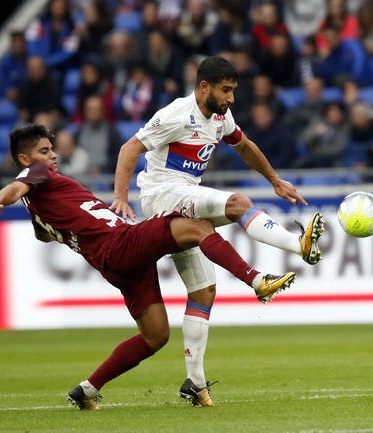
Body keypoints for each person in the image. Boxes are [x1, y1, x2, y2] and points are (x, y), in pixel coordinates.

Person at [0, 124, 298, 410]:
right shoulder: (36, 176)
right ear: (24, 160)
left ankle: (87, 389)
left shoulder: (39, 202)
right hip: (120, 244)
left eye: (52, 150)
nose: (52, 156)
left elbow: (44, 234)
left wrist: (71, 225)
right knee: (198, 226)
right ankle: (256, 281)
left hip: (115, 264)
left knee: (155, 335)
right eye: (44, 151)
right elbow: (15, 189)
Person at [110, 56, 324, 407]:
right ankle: (296, 245)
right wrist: (120, 197)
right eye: (226, 90)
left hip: (185, 194)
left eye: (234, 91)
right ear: (204, 87)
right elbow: (129, 148)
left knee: (203, 291)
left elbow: (244, 146)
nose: (231, 98)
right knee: (238, 203)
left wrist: (274, 181)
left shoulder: (221, 117)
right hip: (163, 194)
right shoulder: (175, 115)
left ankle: (194, 384)